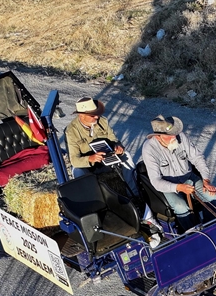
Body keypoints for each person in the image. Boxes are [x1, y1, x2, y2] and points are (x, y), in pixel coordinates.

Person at [64, 97, 160, 246]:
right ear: (80, 115)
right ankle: (95, 207)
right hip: (88, 163)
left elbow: (114, 139)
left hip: (106, 158)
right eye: (92, 115)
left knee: (127, 157)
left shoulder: (103, 121)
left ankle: (133, 194)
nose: (96, 117)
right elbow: (75, 159)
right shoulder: (71, 131)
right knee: (78, 172)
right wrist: (90, 158)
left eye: (96, 113)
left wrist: (118, 147)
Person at [140, 115, 216, 232]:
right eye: (169, 136)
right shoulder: (148, 149)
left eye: (174, 133)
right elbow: (156, 181)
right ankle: (192, 234)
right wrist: (179, 187)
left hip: (188, 177)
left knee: (211, 195)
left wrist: (206, 180)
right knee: (180, 207)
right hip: (168, 184)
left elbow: (197, 158)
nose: (174, 137)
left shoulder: (181, 137)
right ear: (158, 137)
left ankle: (212, 227)